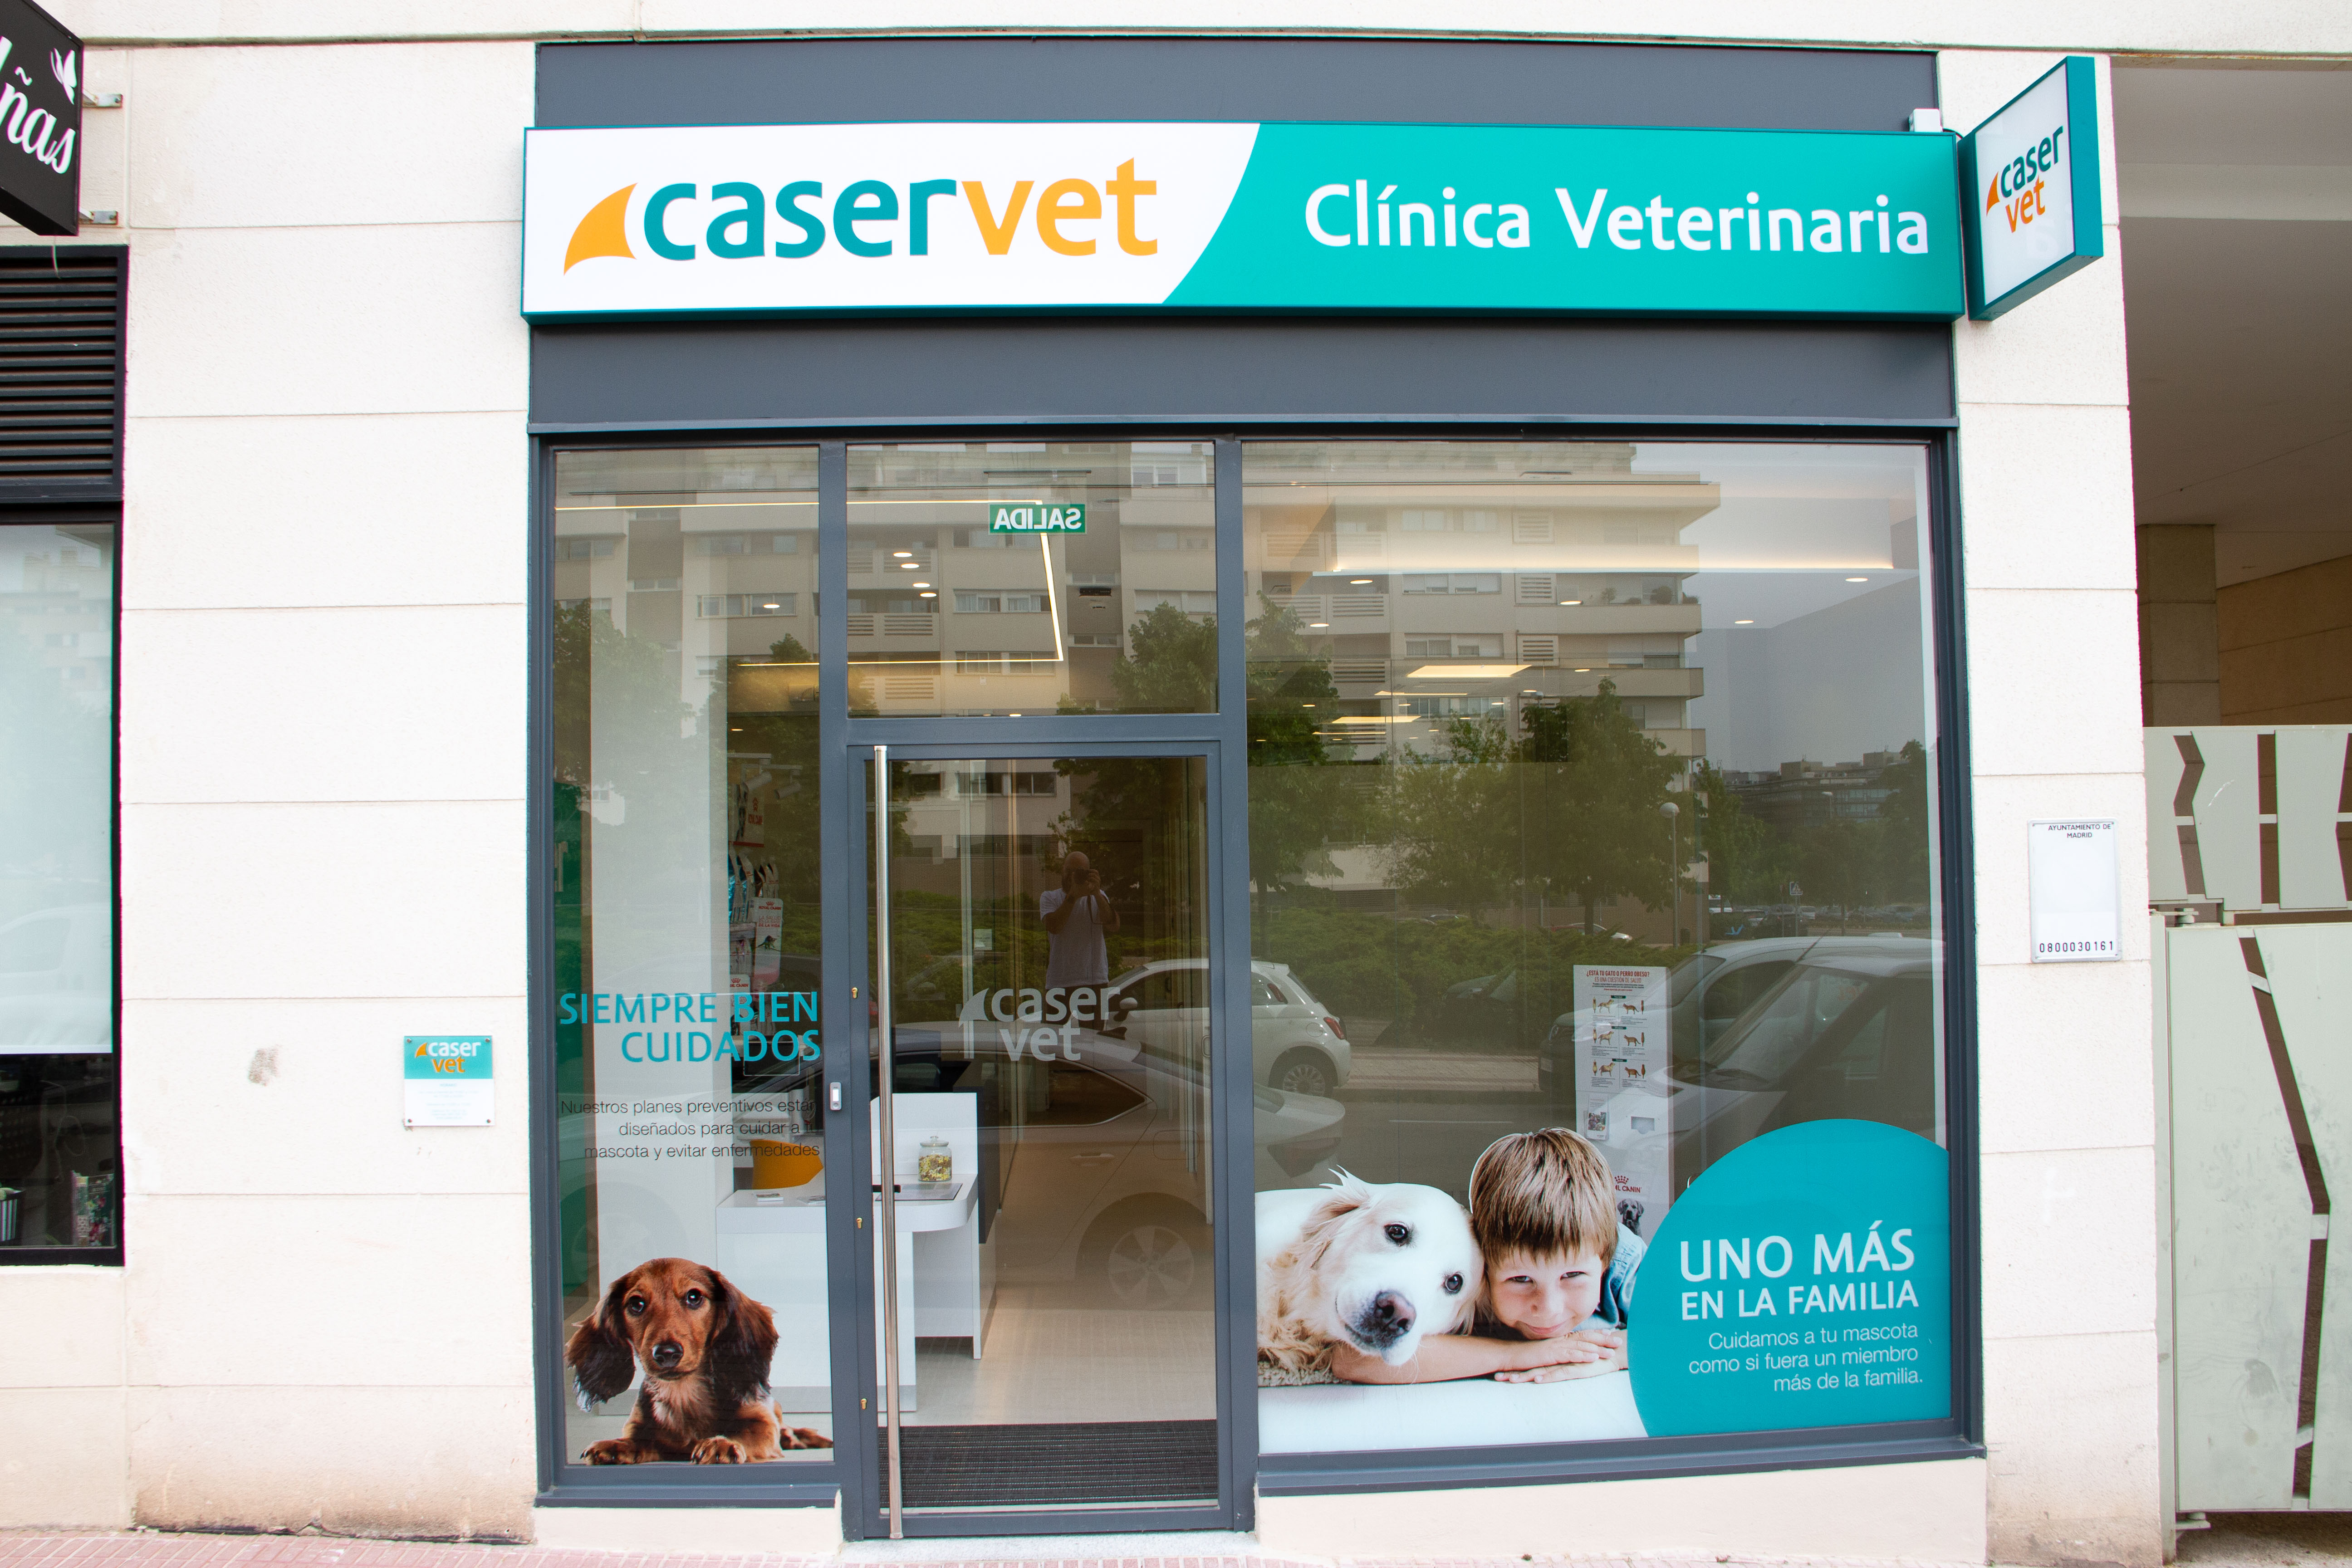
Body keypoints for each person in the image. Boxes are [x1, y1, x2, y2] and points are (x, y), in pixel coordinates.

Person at [1329, 1126, 1642, 1385]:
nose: (1548, 1309)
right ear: (1486, 1271)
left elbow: (1675, 1331)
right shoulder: (1468, 1287)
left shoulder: (1621, 1261)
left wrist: (1615, 1357)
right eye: (1521, 1280)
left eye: (1572, 1276)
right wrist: (1518, 1356)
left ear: (1604, 1260)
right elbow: (1350, 1362)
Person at [1040, 849, 1119, 988]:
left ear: (1088, 873)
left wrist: (1096, 893)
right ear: (1062, 869)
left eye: (1078, 872)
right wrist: (1073, 896)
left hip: (1094, 979)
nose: (1072, 876)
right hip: (1060, 980)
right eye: (1069, 871)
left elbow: (1114, 926)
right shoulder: (1050, 897)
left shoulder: (1098, 896)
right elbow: (1054, 927)